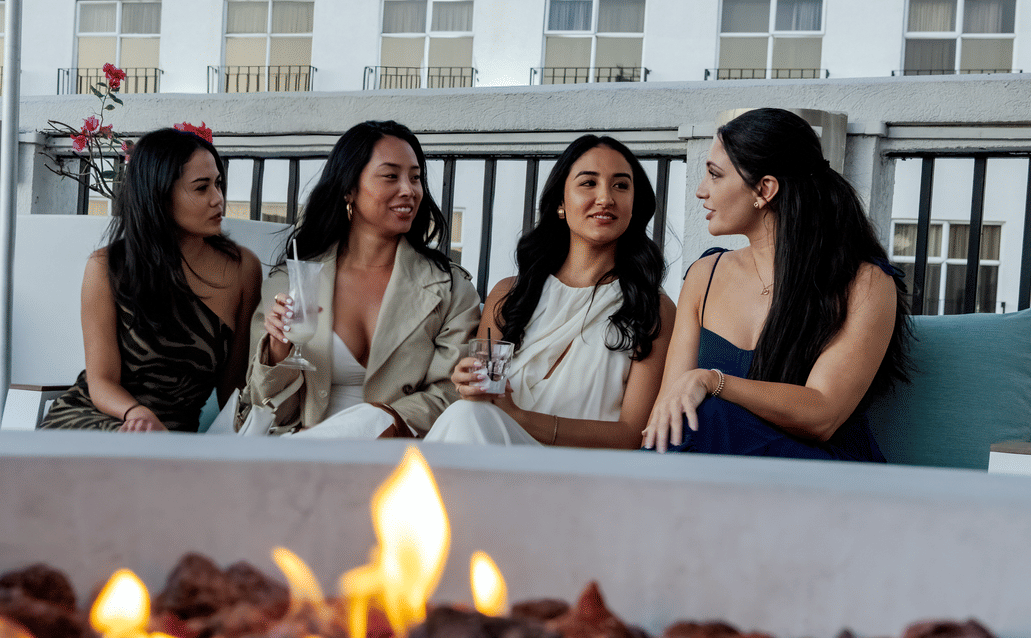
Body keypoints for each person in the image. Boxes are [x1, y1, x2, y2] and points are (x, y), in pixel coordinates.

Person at [642, 107, 910, 459]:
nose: (701, 191)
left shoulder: (865, 283)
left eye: (715, 175)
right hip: (716, 473)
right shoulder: (703, 275)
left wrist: (713, 381)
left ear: (764, 189)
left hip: (823, 473)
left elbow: (823, 414)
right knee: (685, 422)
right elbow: (667, 414)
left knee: (706, 414)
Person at [234, 120, 480, 438]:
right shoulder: (293, 280)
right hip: (301, 454)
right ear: (350, 188)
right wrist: (279, 351)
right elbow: (265, 414)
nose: (409, 189)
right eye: (391, 176)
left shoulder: (450, 288)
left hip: (401, 455)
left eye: (415, 178)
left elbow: (452, 395)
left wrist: (376, 422)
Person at [424, 135, 675, 447]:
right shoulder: (509, 296)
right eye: (588, 183)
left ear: (634, 205)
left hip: (586, 474)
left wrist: (522, 419)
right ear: (561, 201)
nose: (605, 197)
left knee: (465, 419)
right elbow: (485, 398)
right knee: (466, 413)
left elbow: (631, 433)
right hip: (498, 452)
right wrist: (468, 382)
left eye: (621, 186)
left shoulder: (652, 308)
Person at [40, 126, 262, 432]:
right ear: (160, 193)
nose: (217, 199)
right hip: (104, 420)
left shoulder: (243, 269)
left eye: (218, 184)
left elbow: (232, 388)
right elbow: (100, 381)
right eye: (201, 188)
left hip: (171, 437)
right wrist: (136, 414)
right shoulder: (108, 267)